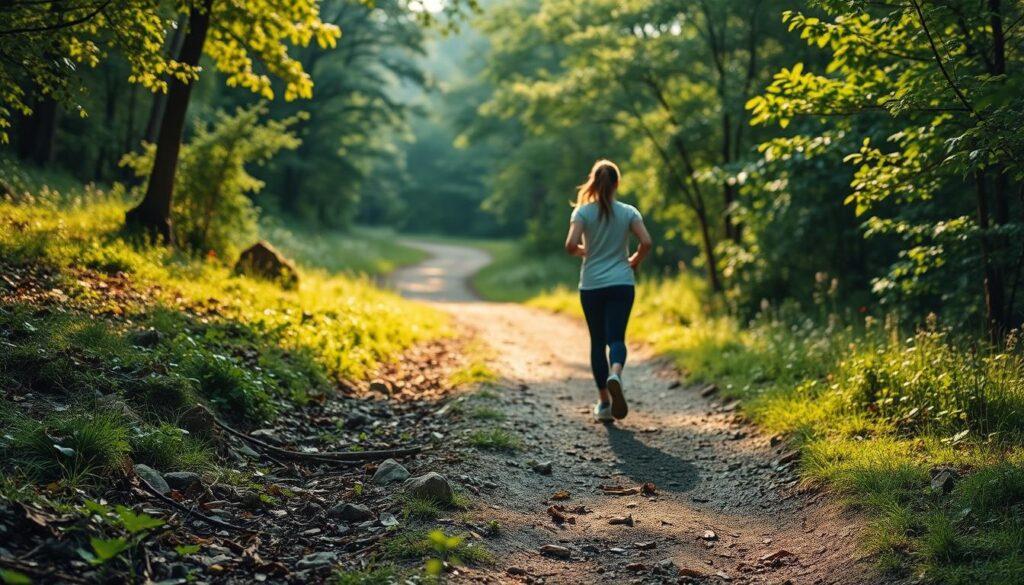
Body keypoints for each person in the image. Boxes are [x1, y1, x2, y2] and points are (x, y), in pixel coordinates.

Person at [564, 159, 652, 423]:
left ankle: (604, 403)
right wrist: (634, 260)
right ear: (616, 183)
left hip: (591, 285)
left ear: (593, 182)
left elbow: (570, 245)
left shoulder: (582, 213)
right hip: (622, 283)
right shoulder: (628, 212)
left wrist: (585, 252)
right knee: (617, 338)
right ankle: (616, 372)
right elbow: (646, 242)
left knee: (597, 342)